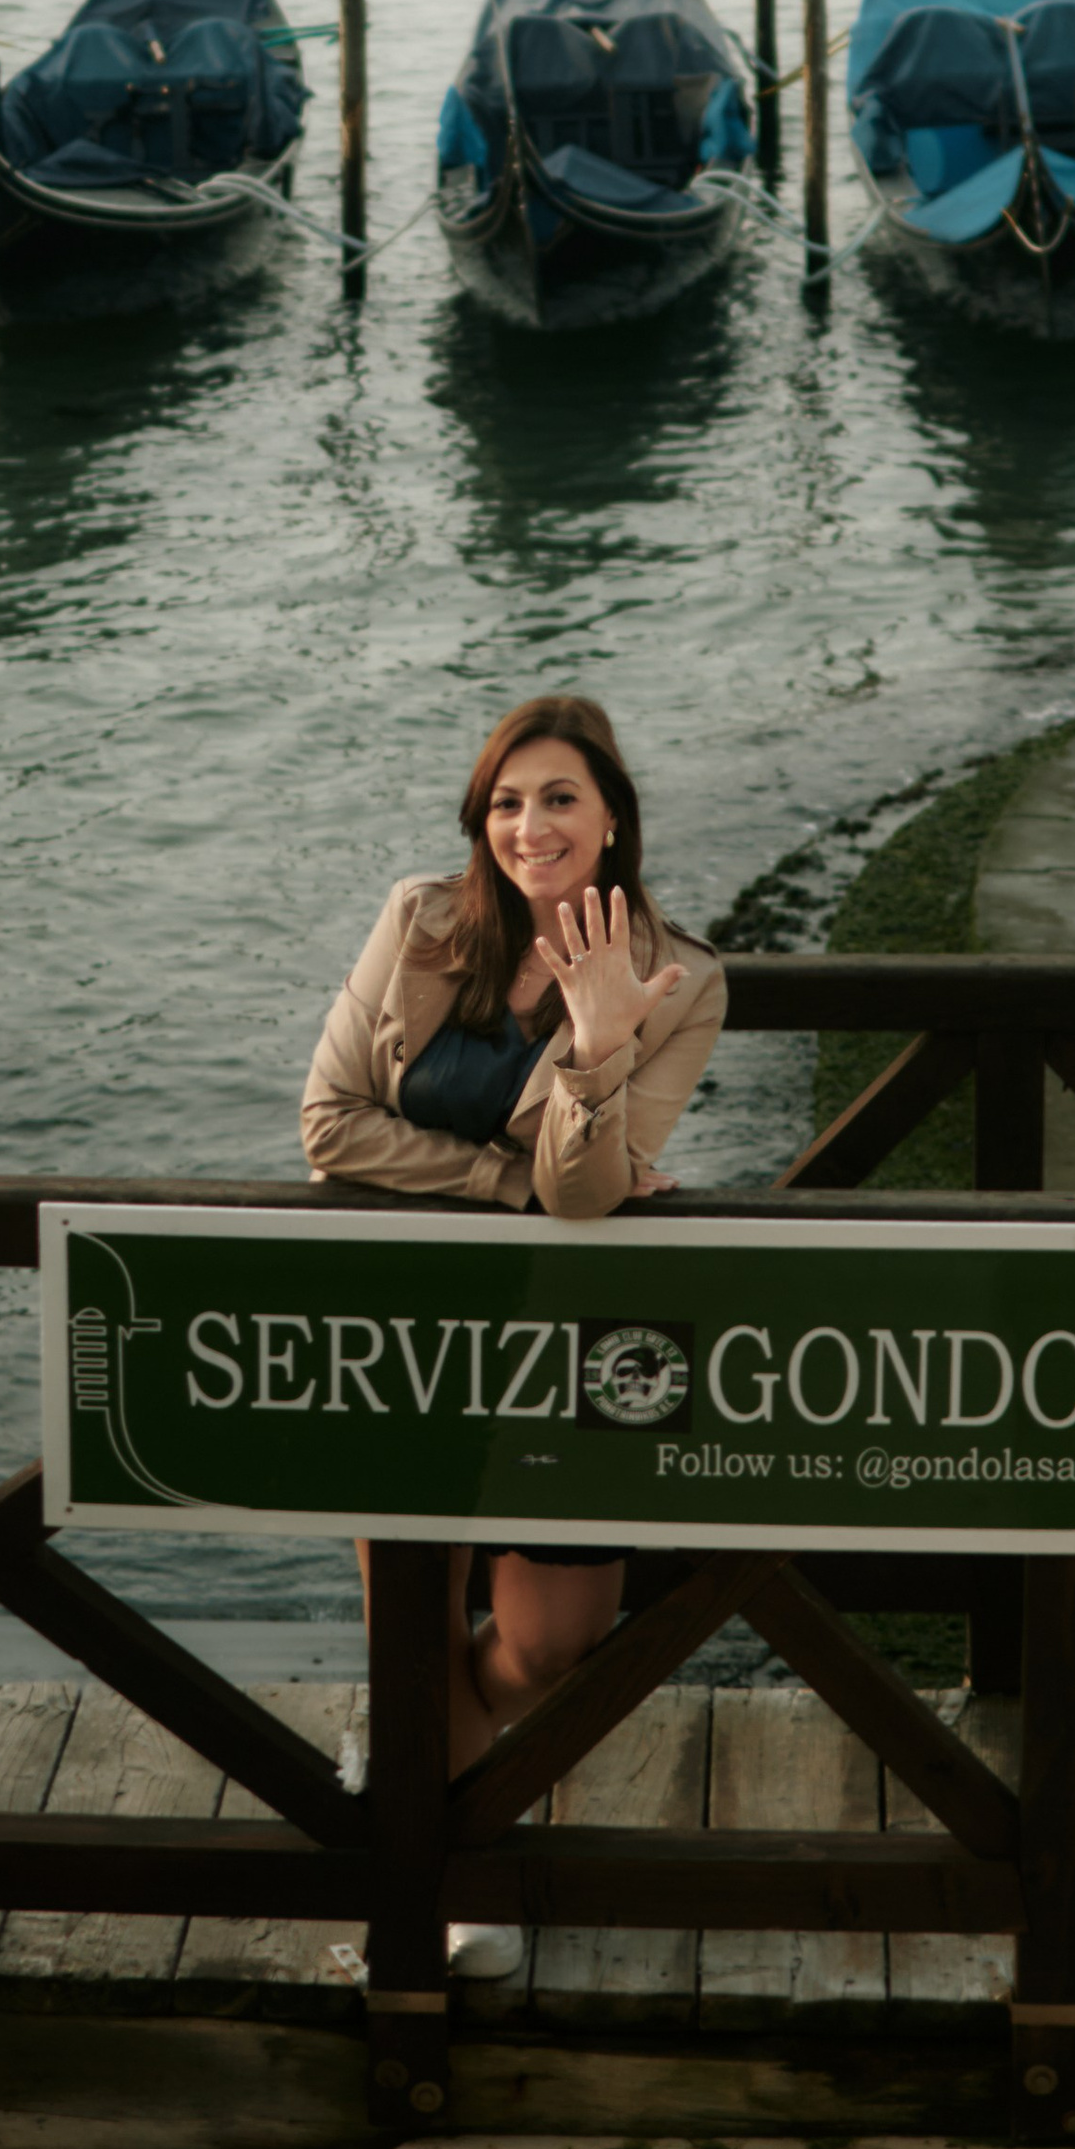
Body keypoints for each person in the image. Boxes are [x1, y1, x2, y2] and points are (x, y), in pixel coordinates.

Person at [299, 693, 725, 1974]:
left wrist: (597, 1045)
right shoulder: (421, 920)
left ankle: (407, 1764)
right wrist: (506, 1183)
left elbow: (590, 1196)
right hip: (408, 1322)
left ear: (611, 821)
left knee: (549, 1649)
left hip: (574, 1333)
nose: (527, 825)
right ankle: (450, 1880)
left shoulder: (682, 979)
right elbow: (328, 1124)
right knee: (416, 1626)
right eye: (505, 801)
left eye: (557, 799)